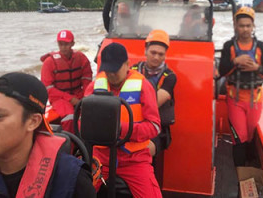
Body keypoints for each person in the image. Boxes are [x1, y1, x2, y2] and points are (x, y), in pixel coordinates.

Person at [84, 42, 162, 198]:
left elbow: (154, 127)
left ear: (127, 65)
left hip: (134, 160)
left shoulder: (144, 87)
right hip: (100, 158)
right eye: (108, 71)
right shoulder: (94, 87)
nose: (111, 75)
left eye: (115, 70)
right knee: (77, 190)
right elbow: (81, 121)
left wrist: (120, 129)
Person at [217, 7, 263, 170]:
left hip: (255, 100)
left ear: (253, 26)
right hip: (235, 99)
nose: (245, 29)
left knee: (250, 136)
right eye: (242, 25)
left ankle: (250, 166)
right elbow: (222, 71)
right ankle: (239, 172)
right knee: (239, 137)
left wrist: (256, 67)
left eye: (248, 25)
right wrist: (235, 61)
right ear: (235, 25)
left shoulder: (261, 47)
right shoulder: (229, 46)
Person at [131, 29, 177, 156]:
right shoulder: (132, 70)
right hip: (132, 124)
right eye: (153, 52)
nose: (156, 57)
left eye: (161, 54)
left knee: (143, 151)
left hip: (157, 130)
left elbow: (153, 104)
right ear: (146, 50)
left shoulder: (169, 77)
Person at [41, 30, 92, 133]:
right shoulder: (49, 62)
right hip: (59, 98)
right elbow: (48, 89)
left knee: (92, 112)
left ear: (72, 44)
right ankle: (71, 145)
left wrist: (86, 98)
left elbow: (87, 81)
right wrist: (70, 98)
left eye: (66, 44)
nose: (63, 47)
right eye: (61, 44)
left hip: (78, 94)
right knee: (69, 118)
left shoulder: (81, 58)